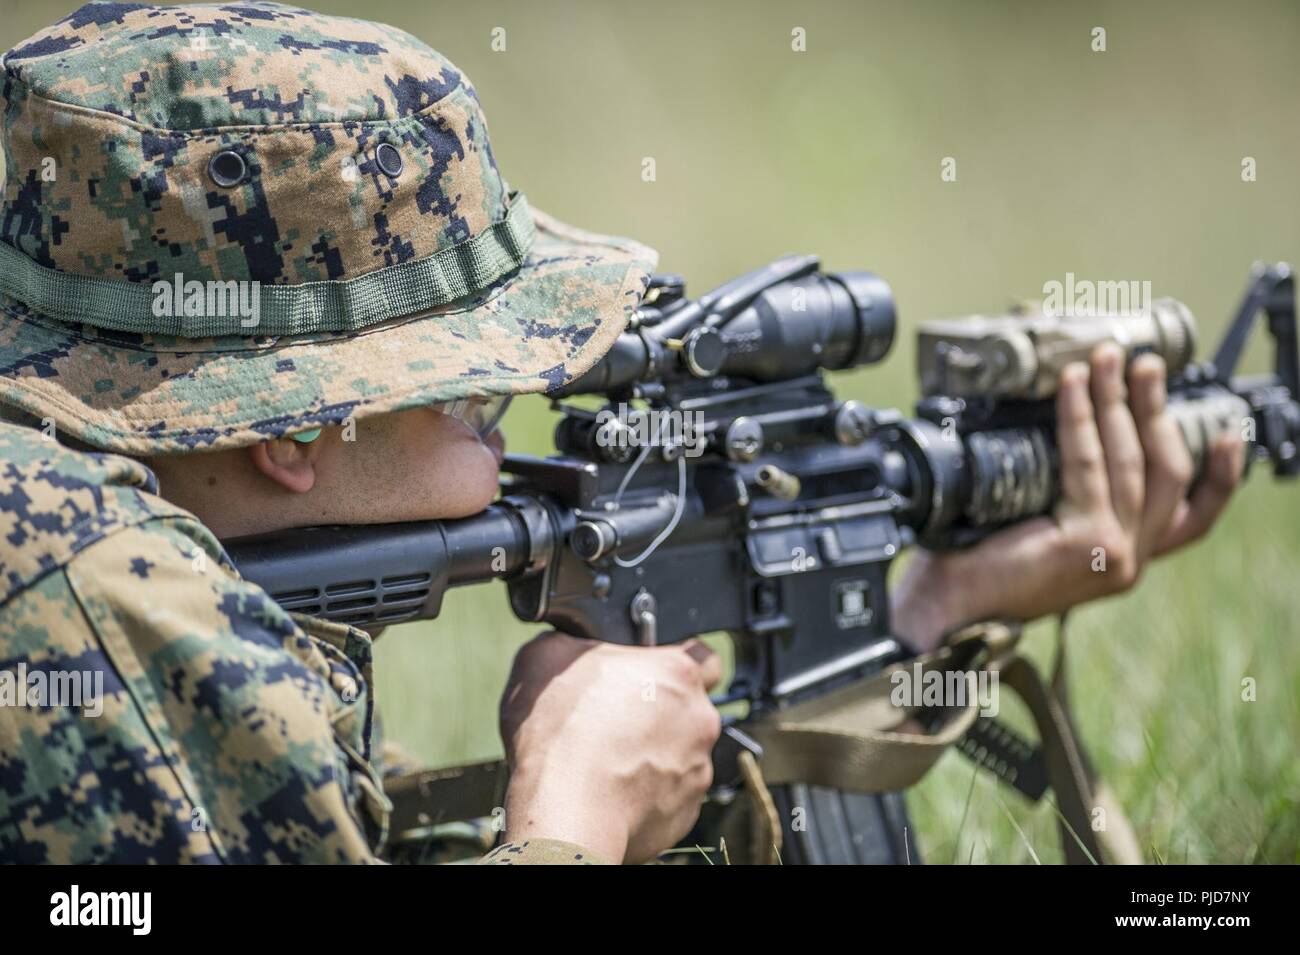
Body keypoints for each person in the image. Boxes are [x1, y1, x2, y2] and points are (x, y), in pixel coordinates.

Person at [0, 2, 1242, 864]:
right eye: (484, 390)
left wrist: (922, 615)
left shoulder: (96, 523)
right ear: (300, 428)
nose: (523, 424)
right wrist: (573, 817)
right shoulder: (93, 597)